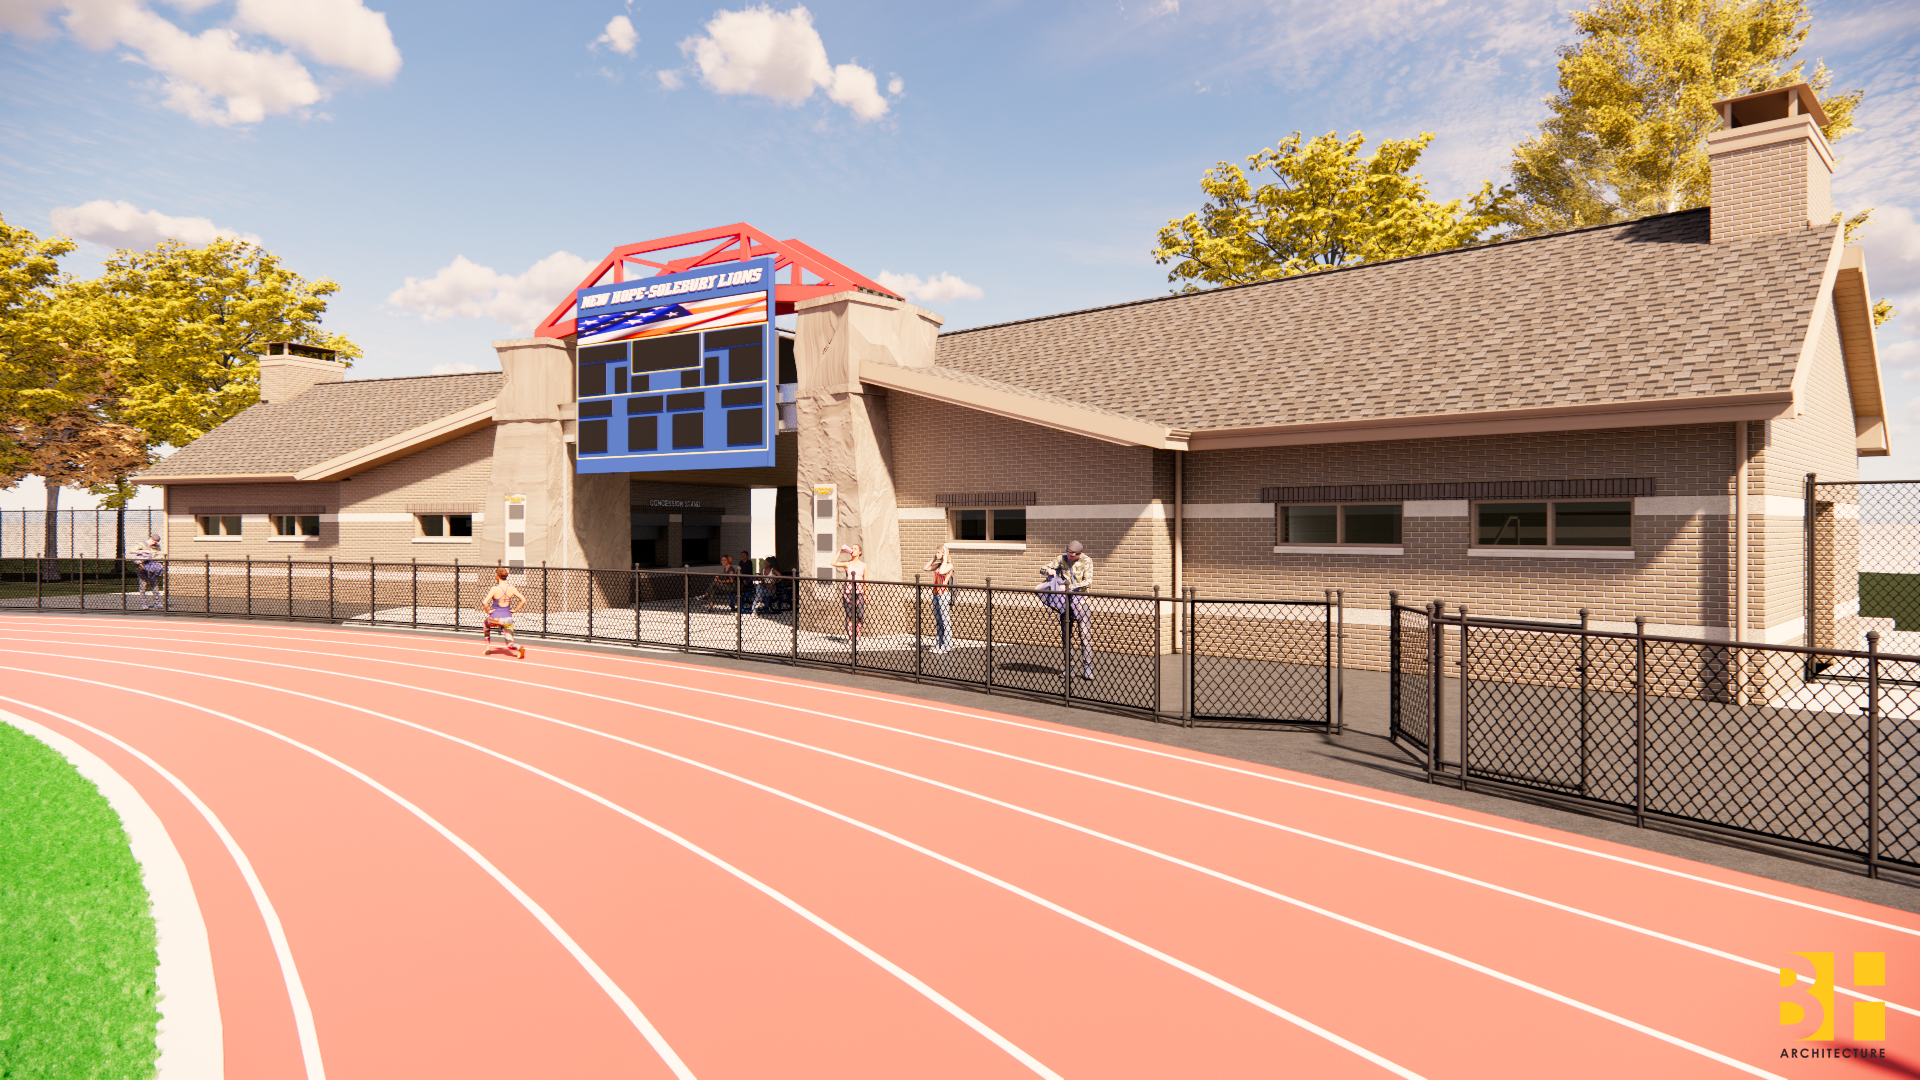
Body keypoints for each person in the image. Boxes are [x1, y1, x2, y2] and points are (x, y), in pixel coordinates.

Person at [1039, 540, 1095, 680]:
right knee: (1066, 637)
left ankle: (1087, 668)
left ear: (1079, 554)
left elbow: (1088, 582)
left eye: (1072, 556)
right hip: (1065, 603)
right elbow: (1042, 569)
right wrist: (1048, 570)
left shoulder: (1087, 561)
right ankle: (1069, 668)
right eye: (1068, 554)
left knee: (1085, 636)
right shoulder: (1061, 558)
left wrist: (1069, 588)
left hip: (1082, 602)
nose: (1069, 558)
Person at [479, 567, 527, 658]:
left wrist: (488, 611)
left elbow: (484, 602)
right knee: (509, 643)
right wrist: (515, 610)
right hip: (508, 619)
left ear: (497, 576)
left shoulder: (494, 589)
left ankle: (488, 647)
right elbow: (523, 600)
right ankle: (519, 647)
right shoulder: (512, 588)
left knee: (486, 625)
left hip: (495, 618)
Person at [831, 543, 867, 645]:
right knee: (850, 615)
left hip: (860, 593)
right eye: (851, 548)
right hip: (848, 593)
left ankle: (857, 635)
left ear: (859, 552)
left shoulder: (864, 565)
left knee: (860, 615)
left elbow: (866, 580)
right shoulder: (847, 564)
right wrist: (840, 552)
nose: (852, 550)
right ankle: (851, 637)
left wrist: (866, 595)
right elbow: (833, 563)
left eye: (855, 549)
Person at [923, 543, 954, 653]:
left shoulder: (949, 565)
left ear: (944, 554)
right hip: (935, 594)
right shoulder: (939, 565)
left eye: (938, 552)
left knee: (945, 621)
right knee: (939, 620)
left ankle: (947, 646)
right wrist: (934, 559)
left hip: (944, 594)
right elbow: (925, 568)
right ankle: (939, 645)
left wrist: (944, 559)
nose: (936, 554)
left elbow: (942, 572)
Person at [133, 532, 166, 609]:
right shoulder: (142, 544)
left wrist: (158, 557)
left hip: (150, 567)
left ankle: (157, 602)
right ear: (151, 539)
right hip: (141, 566)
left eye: (156, 542)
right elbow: (132, 551)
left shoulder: (156, 546)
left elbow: (158, 554)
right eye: (154, 541)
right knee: (143, 585)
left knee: (154, 583)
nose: (155, 543)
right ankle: (143, 603)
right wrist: (143, 552)